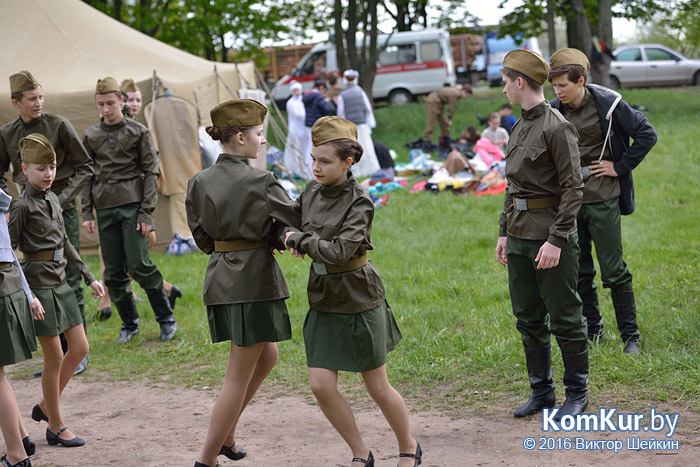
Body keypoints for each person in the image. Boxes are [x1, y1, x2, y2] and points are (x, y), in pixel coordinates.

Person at [283, 116, 422, 467]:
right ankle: (361, 453)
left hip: (359, 298)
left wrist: (300, 240)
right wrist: (291, 234)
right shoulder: (311, 191)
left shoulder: (360, 202)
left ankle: (408, 447)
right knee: (320, 385)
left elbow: (339, 251)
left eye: (324, 161)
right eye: (313, 158)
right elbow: (289, 221)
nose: (315, 167)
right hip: (324, 298)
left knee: (376, 386)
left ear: (347, 163)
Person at [186, 99, 299, 467]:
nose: (263, 141)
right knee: (237, 376)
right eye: (259, 133)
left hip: (220, 277)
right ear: (239, 137)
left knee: (267, 355)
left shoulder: (198, 181)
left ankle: (228, 437)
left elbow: (203, 239)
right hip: (252, 281)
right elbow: (295, 217)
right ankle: (206, 458)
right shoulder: (261, 180)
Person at [495, 50, 589, 420]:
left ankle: (577, 394)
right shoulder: (519, 126)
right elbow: (512, 186)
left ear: (520, 82)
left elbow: (573, 188)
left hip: (549, 237)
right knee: (528, 317)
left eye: (505, 82)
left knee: (565, 316)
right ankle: (542, 392)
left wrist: (557, 239)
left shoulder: (556, 126)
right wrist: (504, 233)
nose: (503, 90)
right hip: (518, 236)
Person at [548, 48, 657, 354]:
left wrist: (619, 166)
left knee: (613, 269)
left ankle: (630, 337)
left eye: (563, 86)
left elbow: (647, 134)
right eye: (554, 86)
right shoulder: (554, 109)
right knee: (579, 270)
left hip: (603, 197)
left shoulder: (609, 104)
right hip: (569, 201)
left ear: (580, 80)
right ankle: (593, 332)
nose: (558, 92)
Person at [8, 134, 104, 449]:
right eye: (40, 168)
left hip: (62, 283)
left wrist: (89, 277)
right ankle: (56, 426)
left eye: (51, 167)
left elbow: (64, 243)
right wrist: (26, 295)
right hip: (38, 286)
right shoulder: (21, 205)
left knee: (80, 348)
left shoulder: (53, 199)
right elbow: (7, 252)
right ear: (24, 169)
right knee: (55, 356)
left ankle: (47, 407)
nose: (48, 174)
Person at [0, 71, 94, 377]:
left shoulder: (59, 124)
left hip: (61, 204)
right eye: (31, 99)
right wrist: (5, 206)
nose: (38, 103)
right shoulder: (7, 134)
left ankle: (75, 351)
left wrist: (62, 198)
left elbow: (86, 166)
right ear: (16, 102)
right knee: (38, 274)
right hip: (25, 206)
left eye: (41, 96)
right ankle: (55, 350)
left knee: (66, 269)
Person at [81, 77, 177, 344]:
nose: (106, 109)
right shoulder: (90, 135)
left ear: (122, 101)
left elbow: (151, 173)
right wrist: (87, 212)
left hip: (133, 207)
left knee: (139, 264)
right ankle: (129, 323)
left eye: (111, 103)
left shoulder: (138, 132)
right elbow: (87, 175)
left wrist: (146, 213)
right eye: (101, 104)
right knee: (112, 271)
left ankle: (166, 318)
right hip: (105, 207)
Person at [0, 187, 44, 467]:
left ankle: (16, 456)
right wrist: (28, 295)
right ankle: (23, 438)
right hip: (11, 286)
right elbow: (10, 253)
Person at [337, 70, 381, 178]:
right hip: (362, 124)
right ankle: (371, 169)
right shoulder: (360, 92)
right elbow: (368, 109)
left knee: (353, 150)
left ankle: (358, 172)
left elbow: (341, 113)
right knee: (367, 148)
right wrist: (370, 123)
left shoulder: (342, 95)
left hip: (350, 127)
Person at [283, 82, 313, 180]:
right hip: (295, 130)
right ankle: (296, 170)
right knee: (295, 149)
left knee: (303, 149)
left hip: (303, 129)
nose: (297, 93)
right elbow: (297, 115)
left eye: (298, 90)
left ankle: (303, 169)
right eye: (295, 91)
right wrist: (308, 115)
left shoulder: (303, 100)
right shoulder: (290, 102)